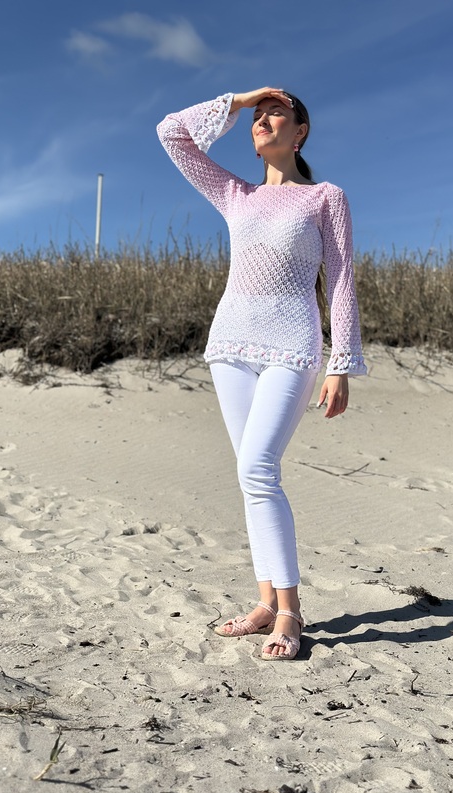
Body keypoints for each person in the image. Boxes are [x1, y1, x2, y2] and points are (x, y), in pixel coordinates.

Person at [157, 88, 366, 661]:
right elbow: (171, 132)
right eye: (258, 115)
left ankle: (291, 612)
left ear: (300, 133)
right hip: (230, 345)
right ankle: (267, 603)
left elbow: (342, 279)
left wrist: (341, 361)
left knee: (258, 468)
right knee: (251, 478)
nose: (263, 119)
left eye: (276, 112)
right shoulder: (235, 193)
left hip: (292, 346)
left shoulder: (325, 197)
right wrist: (239, 98)